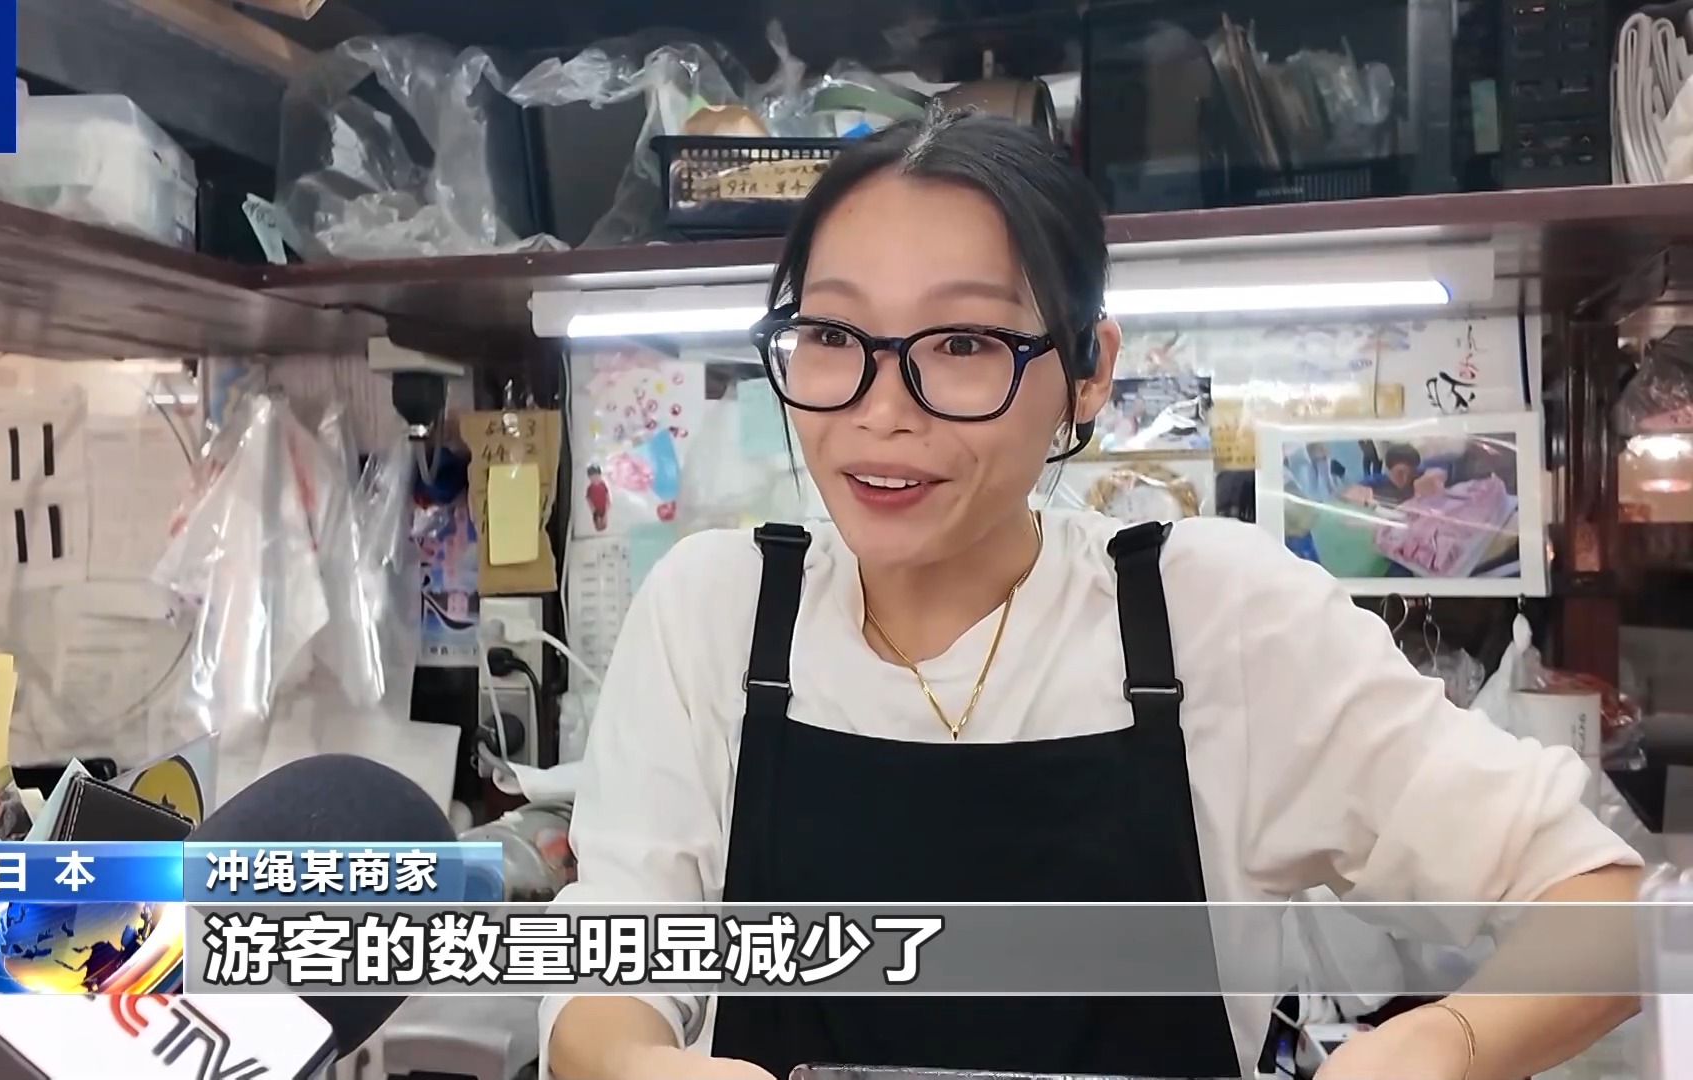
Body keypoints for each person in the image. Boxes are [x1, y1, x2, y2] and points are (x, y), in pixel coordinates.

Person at [543, 111, 1640, 1080]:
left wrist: (1444, 1043)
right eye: (833, 337)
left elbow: (1599, 908)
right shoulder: (716, 614)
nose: (881, 411)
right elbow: (606, 970)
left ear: (1087, 370)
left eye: (961, 343)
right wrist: (633, 1060)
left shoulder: (1215, 618)